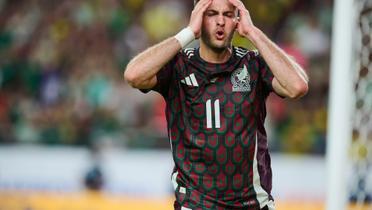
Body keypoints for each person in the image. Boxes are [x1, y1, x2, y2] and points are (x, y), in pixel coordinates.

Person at [124, 0, 309, 209]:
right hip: (196, 204)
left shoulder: (252, 64)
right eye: (211, 14)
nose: (220, 21)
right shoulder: (178, 66)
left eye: (228, 15)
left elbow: (297, 86)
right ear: (199, 18)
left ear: (237, 19)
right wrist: (187, 33)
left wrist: (253, 33)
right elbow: (133, 75)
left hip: (253, 204)